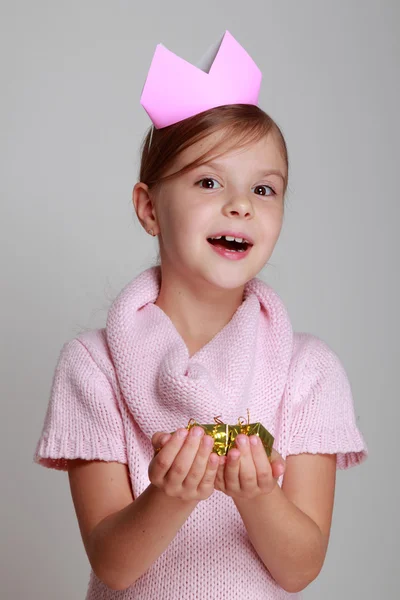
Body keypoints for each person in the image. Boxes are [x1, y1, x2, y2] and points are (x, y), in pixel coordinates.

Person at [33, 30, 368, 599]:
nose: (240, 204)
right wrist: (169, 496)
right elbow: (112, 565)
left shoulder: (307, 370)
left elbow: (301, 568)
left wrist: (258, 495)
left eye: (264, 189)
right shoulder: (93, 366)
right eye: (208, 181)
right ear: (148, 208)